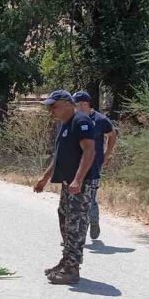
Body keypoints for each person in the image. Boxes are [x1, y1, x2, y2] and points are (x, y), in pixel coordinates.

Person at [33, 90, 97, 284]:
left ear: (68, 104)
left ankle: (72, 269)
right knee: (65, 217)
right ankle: (66, 261)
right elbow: (59, 156)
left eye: (54, 106)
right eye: (49, 107)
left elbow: (89, 151)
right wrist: (44, 178)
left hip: (81, 183)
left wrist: (78, 179)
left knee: (76, 224)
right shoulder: (64, 125)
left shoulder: (81, 121)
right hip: (69, 183)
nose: (51, 110)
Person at [71, 91, 116, 240]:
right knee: (72, 198)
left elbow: (111, 135)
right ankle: (71, 234)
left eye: (79, 104)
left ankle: (94, 220)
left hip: (94, 164)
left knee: (89, 198)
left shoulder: (100, 119)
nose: (77, 107)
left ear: (86, 104)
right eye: (75, 105)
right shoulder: (73, 119)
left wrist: (106, 154)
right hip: (75, 165)